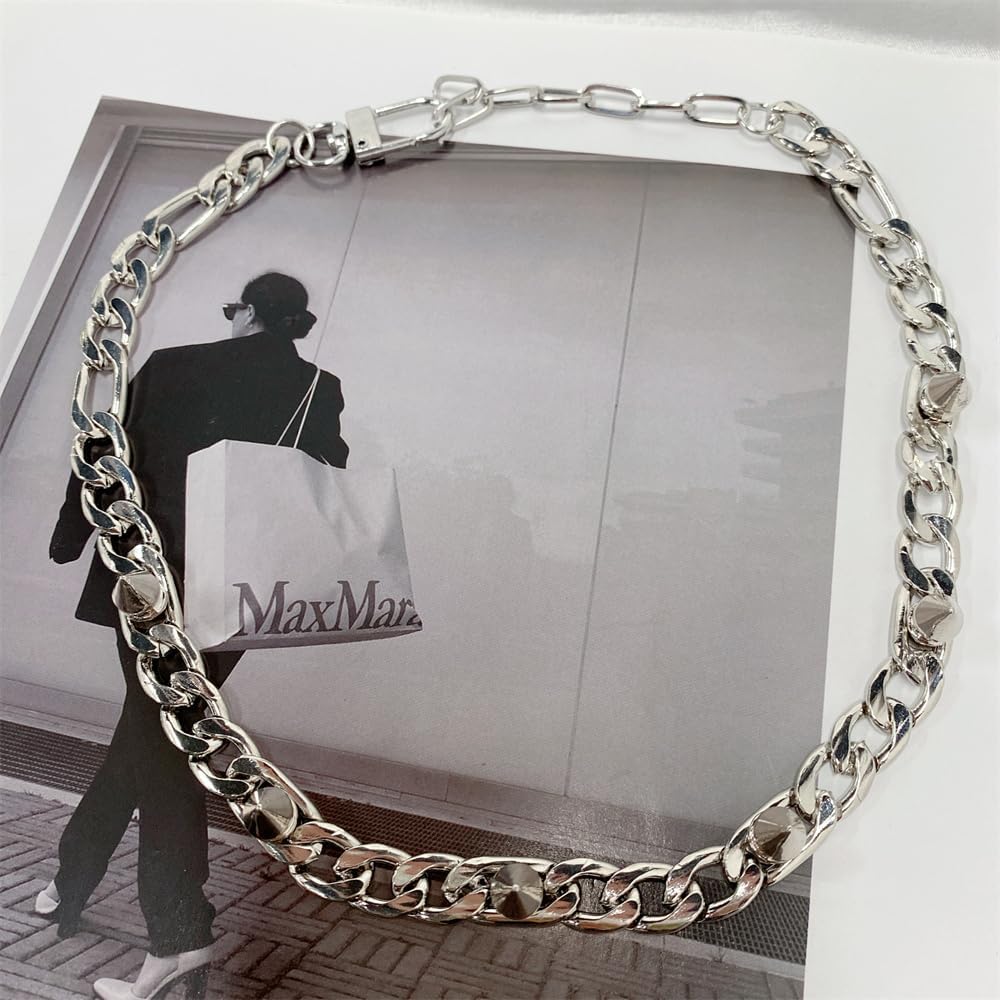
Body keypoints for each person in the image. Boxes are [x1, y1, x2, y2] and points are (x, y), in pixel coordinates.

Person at [41, 272, 348, 1000]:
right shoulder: (318, 388)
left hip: (149, 581)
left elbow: (104, 455)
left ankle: (179, 934)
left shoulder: (174, 365)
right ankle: (72, 876)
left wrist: (68, 538)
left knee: (159, 740)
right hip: (235, 592)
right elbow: (326, 477)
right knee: (151, 731)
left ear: (247, 312)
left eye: (233, 308)